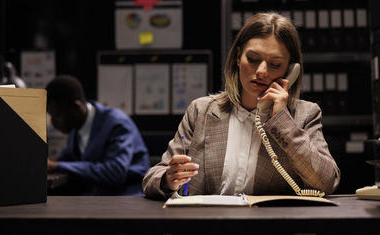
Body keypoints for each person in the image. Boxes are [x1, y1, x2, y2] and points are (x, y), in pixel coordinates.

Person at [142, 12, 340, 199]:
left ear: (291, 71)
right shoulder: (201, 111)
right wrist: (168, 179)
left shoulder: (305, 114)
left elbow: (326, 182)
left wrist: (282, 121)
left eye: (274, 65)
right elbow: (152, 178)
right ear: (238, 57)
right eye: (253, 60)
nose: (261, 71)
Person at [46, 75, 150, 195]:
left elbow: (114, 173)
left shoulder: (117, 123)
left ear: (76, 107)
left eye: (57, 115)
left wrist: (58, 165)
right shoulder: (75, 127)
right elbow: (69, 156)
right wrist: (53, 162)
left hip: (128, 197)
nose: (54, 123)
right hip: (99, 195)